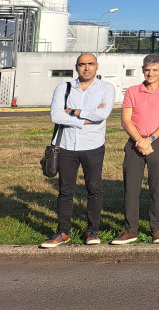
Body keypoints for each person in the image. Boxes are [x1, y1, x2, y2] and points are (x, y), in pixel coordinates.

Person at [41, 53, 115, 248]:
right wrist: (84, 119)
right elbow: (55, 115)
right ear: (76, 67)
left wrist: (73, 111)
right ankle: (63, 231)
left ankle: (92, 230)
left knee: (94, 188)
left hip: (93, 145)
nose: (86, 68)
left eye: (90, 64)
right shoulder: (64, 88)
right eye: (82, 64)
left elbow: (103, 114)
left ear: (96, 66)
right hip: (66, 145)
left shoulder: (106, 88)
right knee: (65, 191)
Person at [112, 54, 159, 245]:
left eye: (155, 70)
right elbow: (125, 120)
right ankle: (131, 229)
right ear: (143, 70)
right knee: (131, 187)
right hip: (135, 141)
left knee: (158, 187)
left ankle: (156, 227)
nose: (150, 73)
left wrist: (150, 139)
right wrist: (140, 140)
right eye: (147, 70)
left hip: (157, 141)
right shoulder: (133, 91)